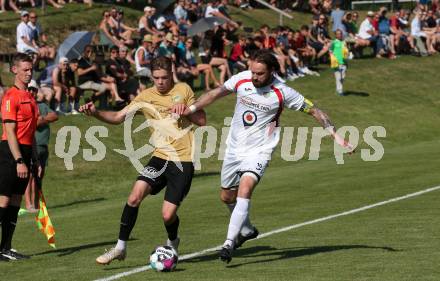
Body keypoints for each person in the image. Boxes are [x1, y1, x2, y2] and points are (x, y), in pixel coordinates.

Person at [180, 50, 354, 263]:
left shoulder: (283, 92)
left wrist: (335, 135)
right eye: (253, 71)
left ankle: (228, 243)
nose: (254, 77)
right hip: (234, 148)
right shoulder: (242, 78)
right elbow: (216, 92)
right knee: (226, 197)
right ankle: (246, 230)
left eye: (260, 74)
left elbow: (315, 111)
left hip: (260, 149)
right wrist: (192, 109)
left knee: (245, 189)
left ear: (271, 71)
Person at [79, 56, 206, 265]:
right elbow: (119, 117)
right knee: (134, 196)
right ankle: (120, 247)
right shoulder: (145, 96)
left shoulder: (184, 90)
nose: (160, 82)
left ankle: (173, 242)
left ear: (171, 73)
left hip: (182, 160)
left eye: (164, 77)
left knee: (167, 215)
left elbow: (202, 121)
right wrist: (96, 113)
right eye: (156, 78)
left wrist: (187, 111)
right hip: (159, 158)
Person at [0, 53, 40, 261]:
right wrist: (18, 160)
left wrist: (34, 158)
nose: (28, 73)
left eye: (30, 69)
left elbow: (31, 131)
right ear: (14, 70)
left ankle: (6, 247)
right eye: (24, 69)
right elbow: (10, 131)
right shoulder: (10, 96)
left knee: (15, 202)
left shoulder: (31, 97)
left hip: (25, 152)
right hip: (10, 153)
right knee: (4, 201)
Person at [23, 80, 58, 212]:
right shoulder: (24, 105)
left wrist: (40, 120)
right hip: (31, 146)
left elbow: (54, 115)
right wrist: (40, 120)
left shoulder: (41, 105)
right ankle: (29, 204)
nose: (32, 92)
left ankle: (37, 205)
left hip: (43, 146)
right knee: (30, 176)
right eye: (29, 89)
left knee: (39, 176)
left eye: (34, 89)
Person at [330, 29, 349, 96]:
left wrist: (347, 60)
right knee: (338, 77)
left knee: (342, 77)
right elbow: (330, 51)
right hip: (336, 63)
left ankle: (338, 90)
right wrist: (333, 59)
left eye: (340, 33)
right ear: (336, 35)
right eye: (338, 34)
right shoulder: (334, 42)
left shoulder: (344, 42)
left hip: (343, 62)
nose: (339, 35)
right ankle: (339, 91)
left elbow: (346, 52)